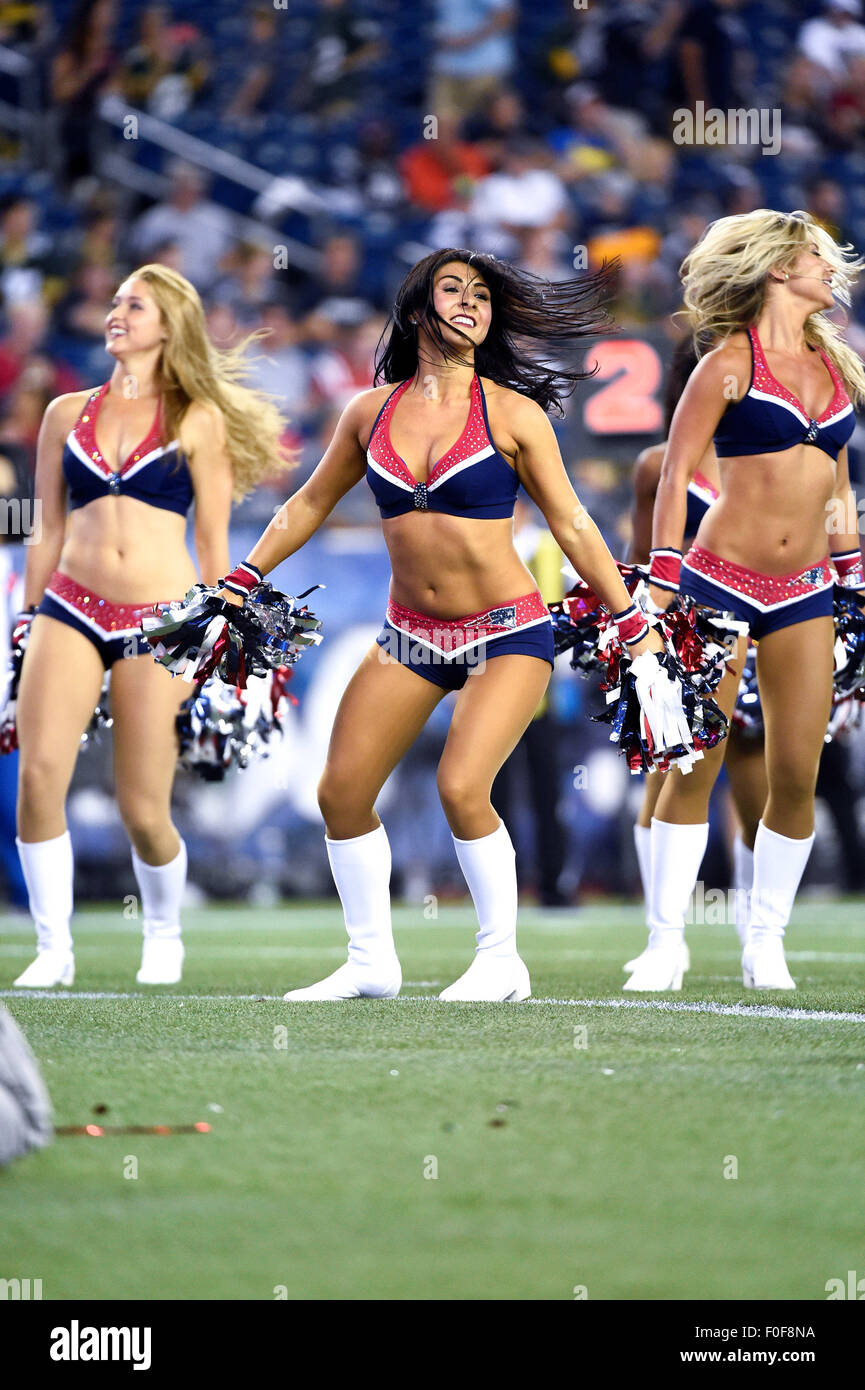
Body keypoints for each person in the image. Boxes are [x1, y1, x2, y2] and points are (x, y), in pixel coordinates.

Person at [218, 247, 667, 1003]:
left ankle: (501, 961)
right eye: (452, 289)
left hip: (506, 631)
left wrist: (631, 619)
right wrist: (242, 576)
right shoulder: (369, 412)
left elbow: (573, 523)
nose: (470, 303)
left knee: (464, 786)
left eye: (482, 295)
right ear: (417, 309)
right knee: (342, 792)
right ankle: (369, 963)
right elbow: (306, 506)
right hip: (408, 633)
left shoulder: (513, 411)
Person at [10, 263, 287, 988]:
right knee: (39, 777)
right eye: (115, 302)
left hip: (158, 622)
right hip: (68, 605)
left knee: (142, 803)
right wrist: (28, 615)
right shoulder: (65, 413)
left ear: (168, 326)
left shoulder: (196, 419)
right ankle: (53, 948)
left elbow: (216, 546)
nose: (116, 313)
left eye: (135, 305)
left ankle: (163, 932)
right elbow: (43, 525)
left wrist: (222, 629)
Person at [633, 209, 864, 992]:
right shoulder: (727, 363)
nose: (830, 270)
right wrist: (662, 575)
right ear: (775, 269)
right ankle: (667, 942)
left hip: (806, 590)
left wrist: (853, 579)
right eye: (815, 258)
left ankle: (764, 942)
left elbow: (836, 486)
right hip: (718, 580)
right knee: (693, 764)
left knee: (794, 773)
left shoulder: (836, 366)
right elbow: (674, 473)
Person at [628, 334, 768, 970]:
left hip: (763, 622)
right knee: (672, 771)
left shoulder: (769, 457)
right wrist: (640, 632)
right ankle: (667, 939)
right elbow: (637, 560)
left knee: (756, 781)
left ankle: (757, 932)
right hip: (688, 630)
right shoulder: (659, 465)